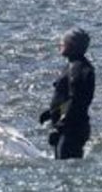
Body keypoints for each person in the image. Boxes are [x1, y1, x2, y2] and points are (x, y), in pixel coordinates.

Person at [39, 28, 95, 159]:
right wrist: (52, 112)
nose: (60, 45)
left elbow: (76, 100)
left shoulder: (78, 69)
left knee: (65, 164)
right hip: (70, 127)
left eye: (63, 42)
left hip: (72, 129)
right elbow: (68, 99)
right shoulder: (75, 65)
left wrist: (60, 126)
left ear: (72, 45)